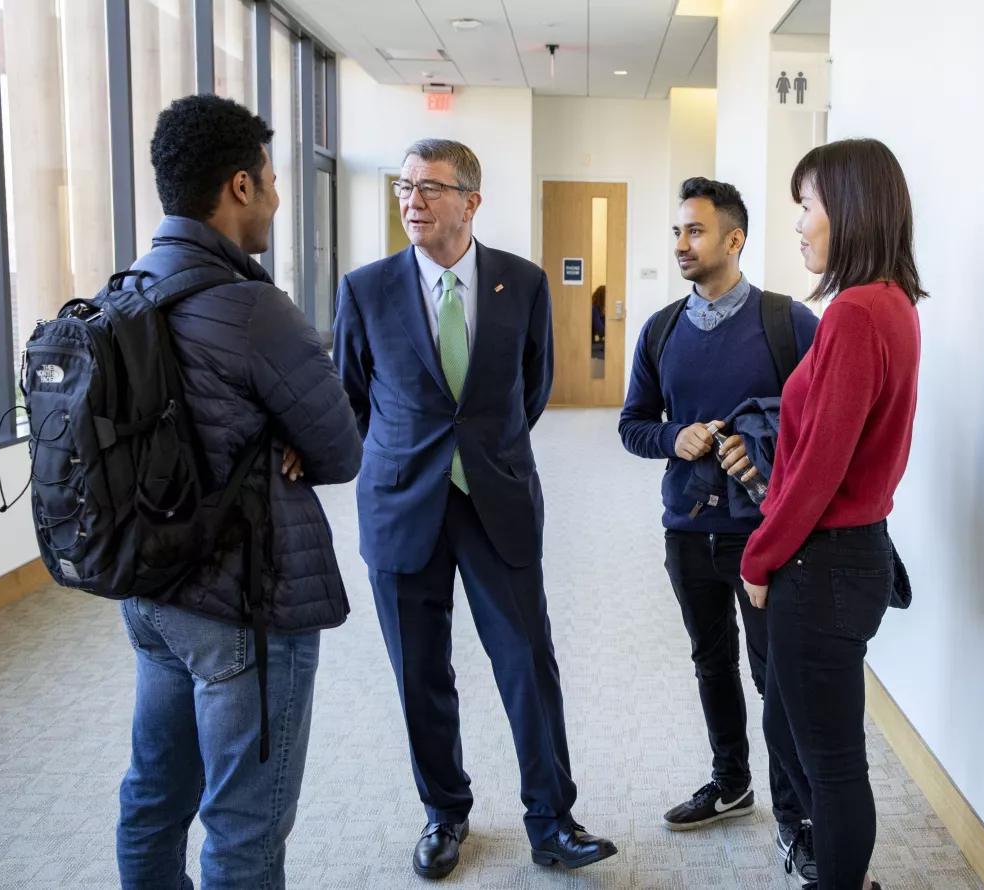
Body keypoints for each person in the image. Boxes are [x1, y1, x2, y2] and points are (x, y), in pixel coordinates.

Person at [333, 139, 617, 880]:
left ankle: (552, 820)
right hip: (401, 506)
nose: (412, 202)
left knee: (527, 662)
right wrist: (406, 458)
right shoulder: (365, 288)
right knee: (420, 670)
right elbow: (352, 400)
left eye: (429, 188)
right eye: (405, 187)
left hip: (497, 498)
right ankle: (444, 813)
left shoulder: (522, 283)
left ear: (471, 201)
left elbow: (533, 387)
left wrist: (480, 452)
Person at [116, 95, 362, 890]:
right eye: (272, 179)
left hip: (151, 593)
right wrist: (283, 435)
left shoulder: (124, 294)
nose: (280, 197)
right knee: (244, 831)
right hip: (244, 606)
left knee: (154, 800)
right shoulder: (254, 308)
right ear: (240, 188)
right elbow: (340, 446)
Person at [737, 138, 926, 890]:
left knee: (832, 758)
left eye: (807, 207)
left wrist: (759, 556)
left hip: (825, 562)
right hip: (843, 557)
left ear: (848, 211)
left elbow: (820, 468)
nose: (800, 224)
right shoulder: (890, 305)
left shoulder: (854, 314)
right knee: (788, 726)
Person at [619, 177, 821, 881]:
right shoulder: (660, 330)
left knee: (775, 676)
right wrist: (673, 438)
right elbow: (631, 426)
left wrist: (759, 451)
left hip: (765, 536)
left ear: (733, 239)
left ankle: (797, 817)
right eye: (677, 231)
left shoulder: (787, 322)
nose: (681, 244)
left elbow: (825, 430)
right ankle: (731, 782)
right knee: (711, 662)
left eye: (695, 232)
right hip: (687, 531)